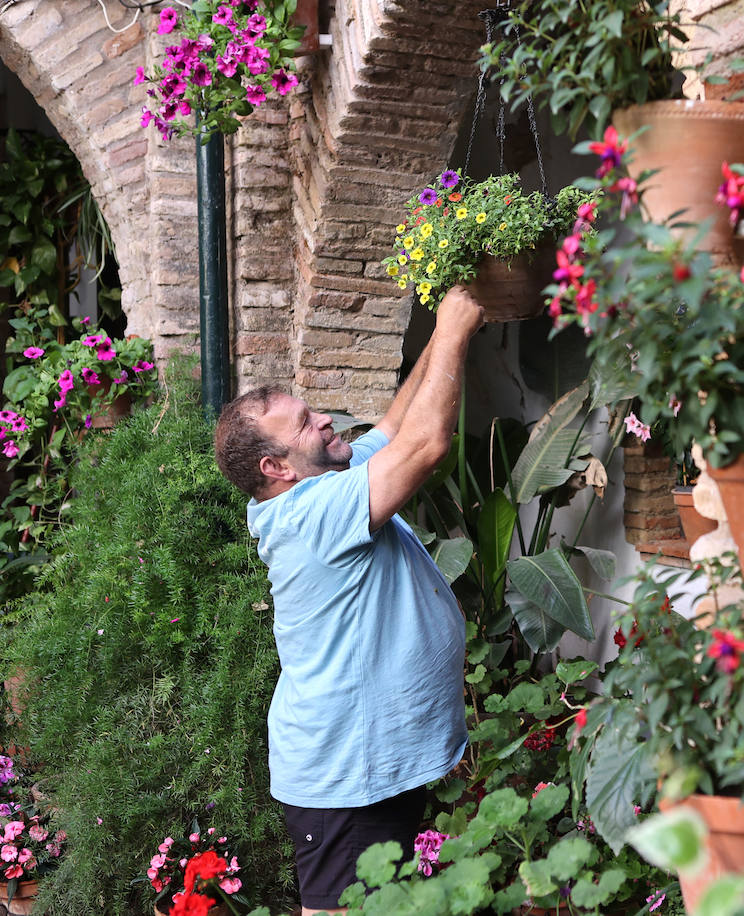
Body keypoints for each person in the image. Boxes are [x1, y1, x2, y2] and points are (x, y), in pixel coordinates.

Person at [212, 285, 485, 914]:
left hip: (370, 757)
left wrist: (446, 325)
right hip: (346, 770)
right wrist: (453, 328)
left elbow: (395, 428)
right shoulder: (310, 514)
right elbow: (424, 445)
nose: (325, 420)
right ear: (276, 468)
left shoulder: (327, 477)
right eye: (305, 424)